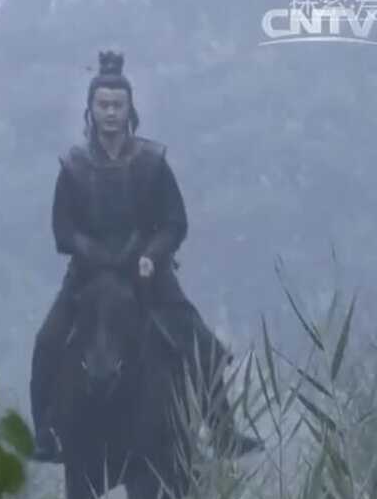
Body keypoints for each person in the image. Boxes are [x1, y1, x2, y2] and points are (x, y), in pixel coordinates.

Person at [30, 50, 263, 463]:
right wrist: (94, 255)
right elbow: (63, 231)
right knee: (47, 341)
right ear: (91, 109)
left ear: (129, 109)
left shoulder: (152, 163)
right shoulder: (74, 166)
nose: (110, 113)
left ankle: (222, 430)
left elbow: (175, 223)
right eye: (103, 105)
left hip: (147, 273)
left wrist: (152, 255)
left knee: (201, 343)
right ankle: (46, 434)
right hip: (88, 276)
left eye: (117, 105)